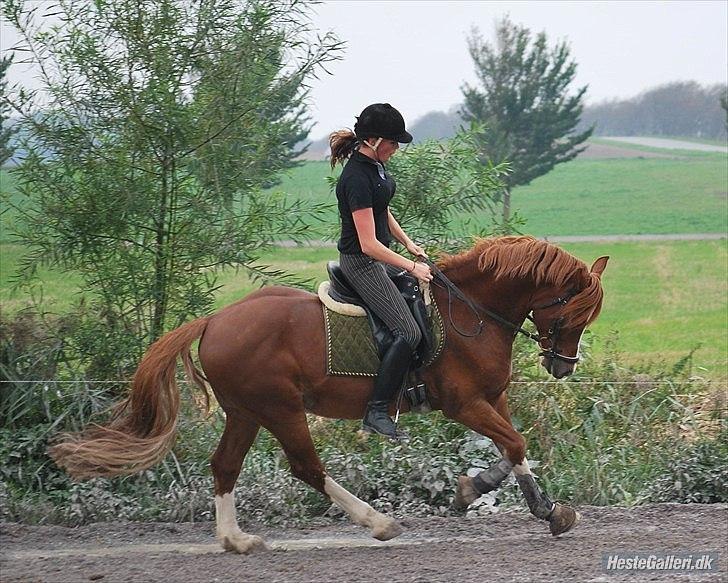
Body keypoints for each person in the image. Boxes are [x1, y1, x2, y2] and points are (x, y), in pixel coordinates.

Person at [328, 103, 433, 439]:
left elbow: (383, 211)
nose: (396, 148)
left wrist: (409, 243)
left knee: (419, 307)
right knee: (409, 331)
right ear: (373, 141)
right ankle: (376, 411)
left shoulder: (376, 168)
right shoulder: (356, 177)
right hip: (362, 264)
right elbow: (369, 244)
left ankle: (414, 386)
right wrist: (411, 266)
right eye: (393, 142)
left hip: (380, 259)